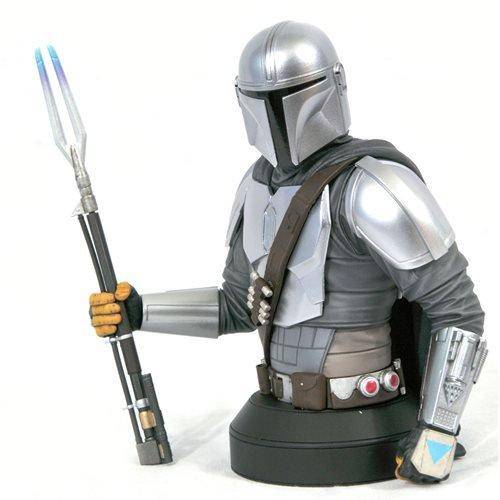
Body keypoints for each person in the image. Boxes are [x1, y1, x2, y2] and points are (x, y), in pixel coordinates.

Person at [88, 21, 486, 484]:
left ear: (333, 85)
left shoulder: (373, 186)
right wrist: (141, 311)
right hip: (275, 416)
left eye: (292, 95)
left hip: (365, 411)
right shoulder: (254, 187)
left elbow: (458, 311)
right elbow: (239, 307)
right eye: (263, 99)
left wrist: (437, 433)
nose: (279, 114)